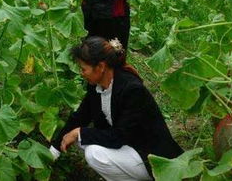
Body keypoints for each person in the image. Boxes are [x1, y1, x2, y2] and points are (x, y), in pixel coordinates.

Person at [50, 36, 183, 181]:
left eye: (83, 69)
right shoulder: (97, 86)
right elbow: (80, 117)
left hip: (152, 156)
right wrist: (53, 151)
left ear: (100, 67)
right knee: (85, 142)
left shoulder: (131, 90)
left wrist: (79, 132)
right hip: (129, 147)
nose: (82, 73)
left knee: (94, 153)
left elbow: (119, 137)